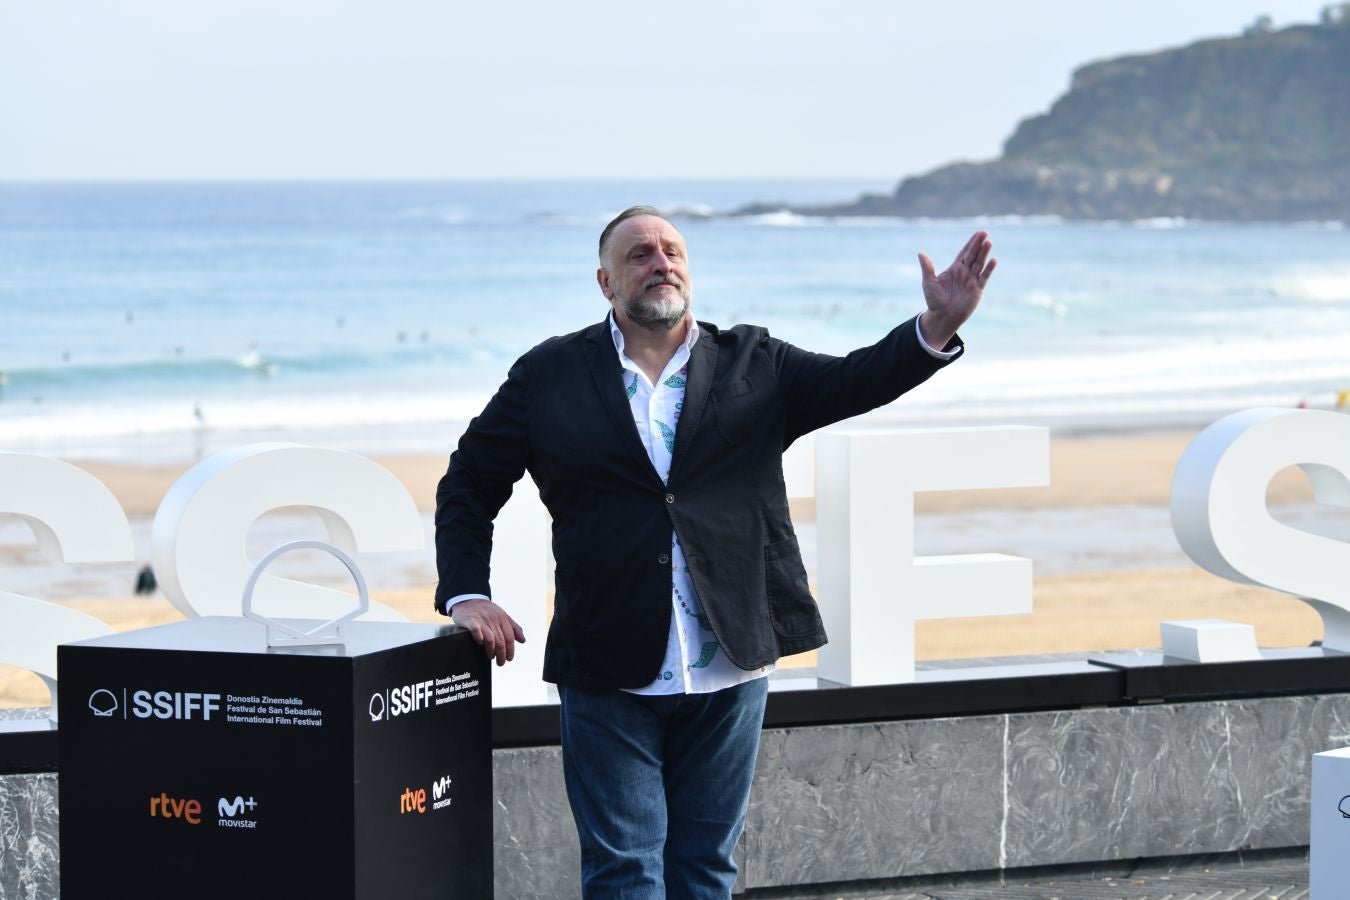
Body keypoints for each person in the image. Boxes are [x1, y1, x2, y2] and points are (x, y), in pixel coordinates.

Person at [434, 206, 995, 898]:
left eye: (672, 251)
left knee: (706, 867)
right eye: (639, 254)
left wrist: (936, 328)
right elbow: (469, 481)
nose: (660, 262)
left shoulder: (754, 362)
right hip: (609, 667)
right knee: (623, 869)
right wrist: (467, 592)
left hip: (729, 663)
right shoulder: (549, 374)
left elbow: (858, 378)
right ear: (606, 282)